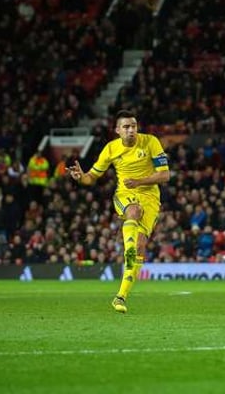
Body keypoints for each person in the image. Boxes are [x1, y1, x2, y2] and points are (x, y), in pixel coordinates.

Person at [67, 110, 170, 313]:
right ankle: (127, 250)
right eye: (126, 127)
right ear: (117, 130)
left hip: (150, 197)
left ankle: (120, 297)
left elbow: (165, 175)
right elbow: (91, 177)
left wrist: (139, 181)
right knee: (134, 211)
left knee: (140, 246)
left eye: (133, 126)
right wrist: (81, 177)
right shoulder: (111, 149)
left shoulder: (150, 142)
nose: (131, 130)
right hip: (124, 194)